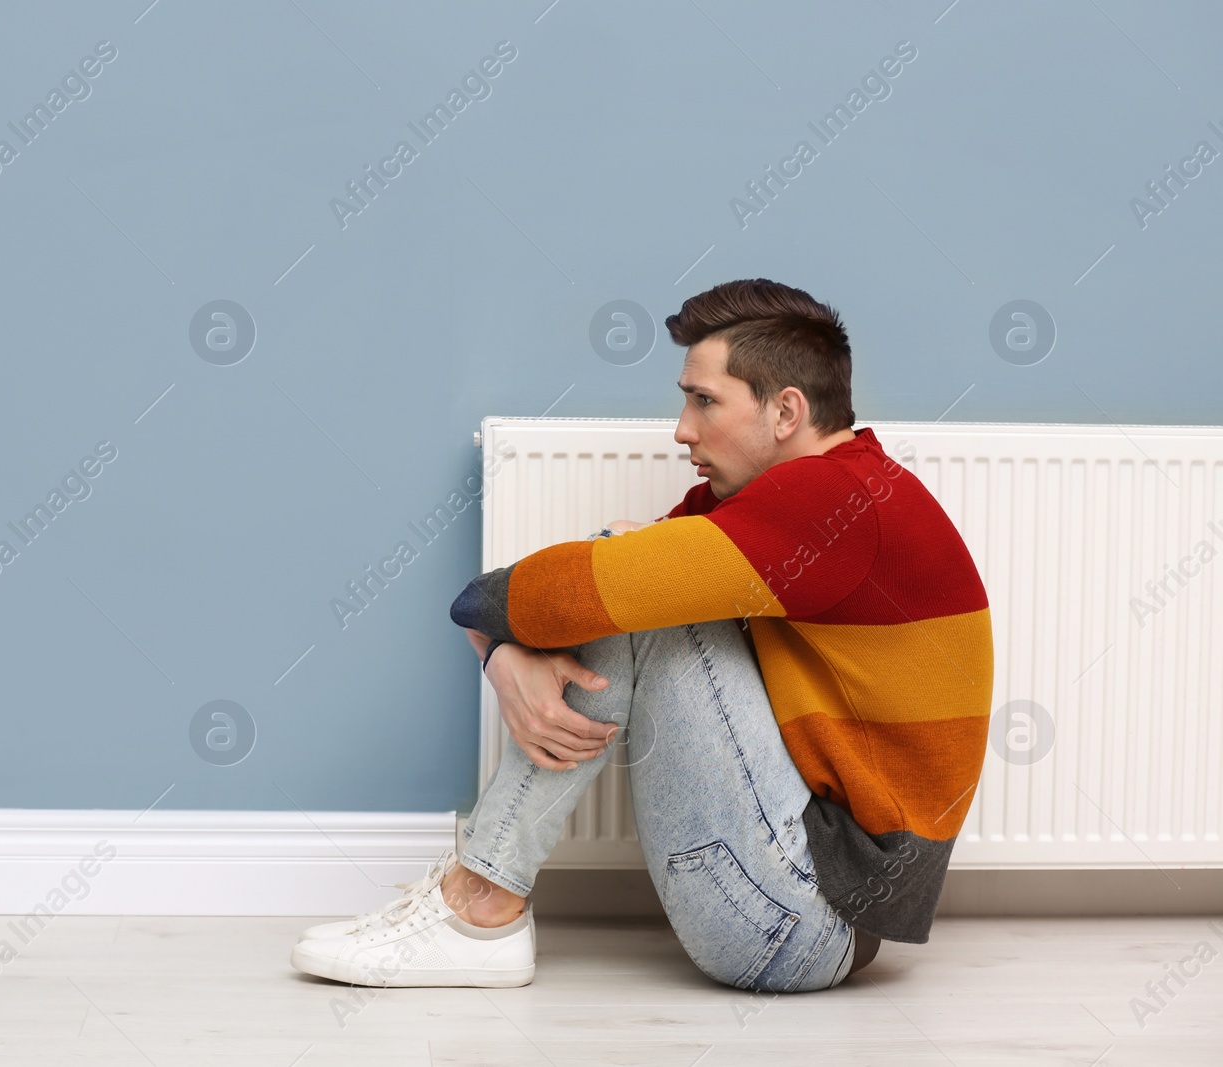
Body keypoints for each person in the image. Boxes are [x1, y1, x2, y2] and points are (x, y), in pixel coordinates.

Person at [291, 278, 993, 992]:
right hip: (820, 914)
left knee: (631, 583)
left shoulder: (832, 499)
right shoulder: (786, 501)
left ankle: (482, 907)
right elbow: (584, 595)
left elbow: (574, 594)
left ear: (787, 410)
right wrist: (505, 654)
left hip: (798, 921)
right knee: (634, 570)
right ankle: (481, 902)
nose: (683, 429)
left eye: (704, 400)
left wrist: (485, 623)